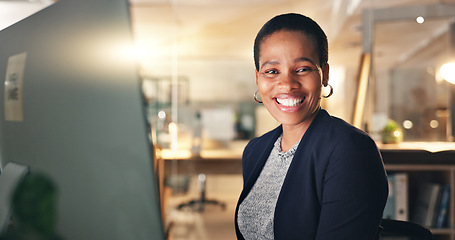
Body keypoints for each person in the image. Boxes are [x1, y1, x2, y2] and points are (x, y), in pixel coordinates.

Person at [234, 13, 388, 239]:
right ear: (258, 78)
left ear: (324, 74)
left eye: (303, 68)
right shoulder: (255, 150)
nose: (287, 84)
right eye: (272, 71)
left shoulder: (351, 149)